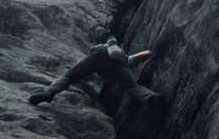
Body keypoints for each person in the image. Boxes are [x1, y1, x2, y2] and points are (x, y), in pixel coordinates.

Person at [28, 35, 163, 108]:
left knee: (69, 77)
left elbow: (145, 53)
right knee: (132, 87)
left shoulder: (126, 60)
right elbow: (146, 53)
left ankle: (49, 93)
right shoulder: (126, 64)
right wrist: (152, 54)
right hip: (118, 62)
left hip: (98, 55)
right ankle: (152, 98)